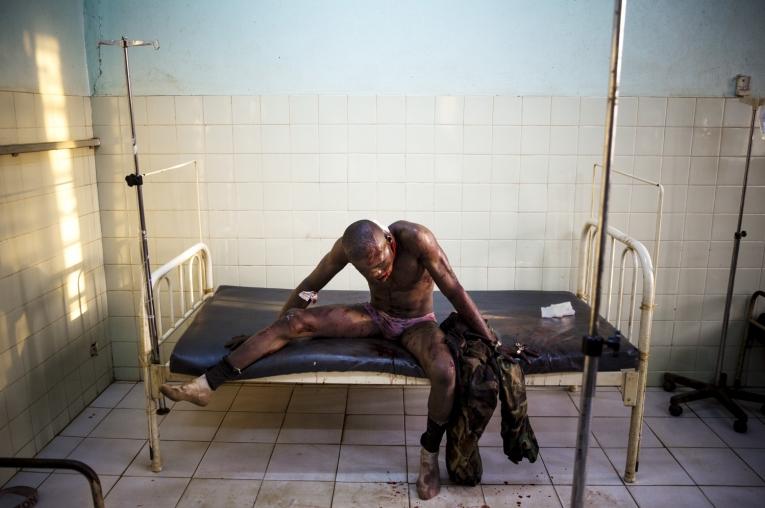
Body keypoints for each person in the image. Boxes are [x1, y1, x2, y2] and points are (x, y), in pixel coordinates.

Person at [160, 219, 497, 499]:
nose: (379, 273)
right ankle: (207, 384)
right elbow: (312, 284)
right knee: (294, 323)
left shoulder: (417, 239)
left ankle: (428, 456)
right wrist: (278, 323)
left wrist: (489, 338)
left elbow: (454, 289)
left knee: (445, 370)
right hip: (375, 316)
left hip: (417, 325)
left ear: (390, 242)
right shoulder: (346, 248)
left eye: (383, 264)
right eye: (369, 269)